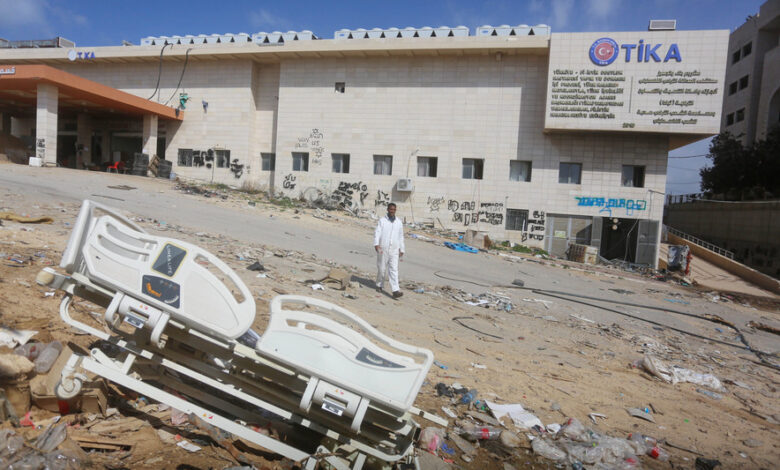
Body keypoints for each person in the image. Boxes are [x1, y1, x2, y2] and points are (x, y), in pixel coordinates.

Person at [374, 203, 405, 298]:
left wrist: (402, 248)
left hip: (394, 250)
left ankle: (395, 290)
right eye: (391, 209)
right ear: (387, 210)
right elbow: (377, 232)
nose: (392, 211)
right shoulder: (382, 221)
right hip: (383, 248)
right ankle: (379, 284)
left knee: (394, 270)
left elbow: (401, 236)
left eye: (394, 209)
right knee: (382, 268)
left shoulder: (398, 222)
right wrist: (376, 244)